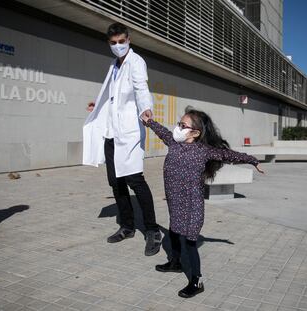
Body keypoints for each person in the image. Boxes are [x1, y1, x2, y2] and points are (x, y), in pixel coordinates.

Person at [142, 107, 264, 298]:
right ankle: (175, 262)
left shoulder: (204, 151)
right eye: (178, 124)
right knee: (174, 231)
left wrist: (252, 160)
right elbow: (163, 132)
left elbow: (228, 155)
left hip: (192, 206)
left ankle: (196, 281)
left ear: (195, 132)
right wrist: (149, 122)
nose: (178, 128)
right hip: (174, 201)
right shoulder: (173, 143)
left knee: (190, 241)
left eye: (183, 125)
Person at [83, 23, 161, 256]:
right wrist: (99, 105)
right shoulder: (114, 64)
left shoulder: (136, 62)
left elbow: (140, 88)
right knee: (115, 182)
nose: (118, 46)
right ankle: (127, 227)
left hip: (129, 132)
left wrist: (146, 108)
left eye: (121, 41)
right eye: (113, 43)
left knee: (135, 180)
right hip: (111, 132)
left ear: (129, 40)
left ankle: (153, 230)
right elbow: (114, 95)